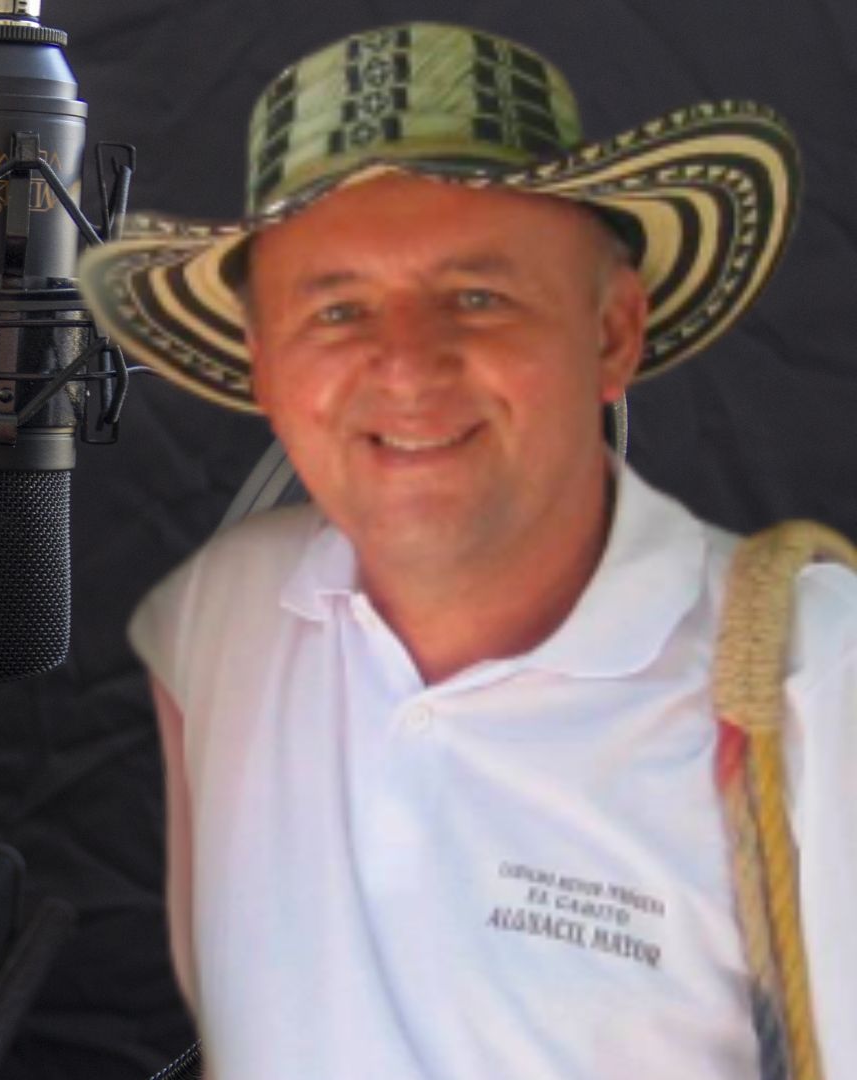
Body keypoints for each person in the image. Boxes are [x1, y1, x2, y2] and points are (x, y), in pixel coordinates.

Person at [75, 23, 857, 1079]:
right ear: (264, 370)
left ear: (612, 334)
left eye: (478, 297)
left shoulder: (816, 686)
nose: (407, 367)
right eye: (338, 309)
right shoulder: (219, 617)